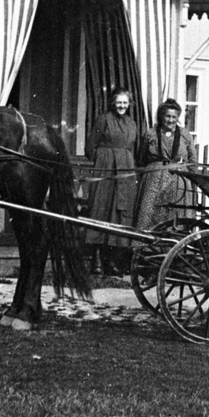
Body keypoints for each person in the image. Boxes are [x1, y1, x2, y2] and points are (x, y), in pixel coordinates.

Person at [85, 86, 139, 276]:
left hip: (125, 171)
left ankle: (113, 262)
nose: (122, 106)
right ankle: (96, 260)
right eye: (119, 102)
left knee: (119, 212)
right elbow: (90, 146)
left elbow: (133, 149)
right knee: (101, 209)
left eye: (125, 102)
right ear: (113, 103)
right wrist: (103, 161)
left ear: (129, 104)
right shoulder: (104, 119)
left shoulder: (132, 124)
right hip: (106, 169)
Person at [134, 98, 197, 232]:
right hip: (154, 180)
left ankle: (175, 247)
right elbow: (141, 159)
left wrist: (192, 182)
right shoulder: (150, 133)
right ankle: (146, 247)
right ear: (161, 116)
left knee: (176, 214)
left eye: (174, 117)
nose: (171, 120)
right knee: (149, 213)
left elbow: (192, 161)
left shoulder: (185, 135)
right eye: (168, 116)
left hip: (179, 181)